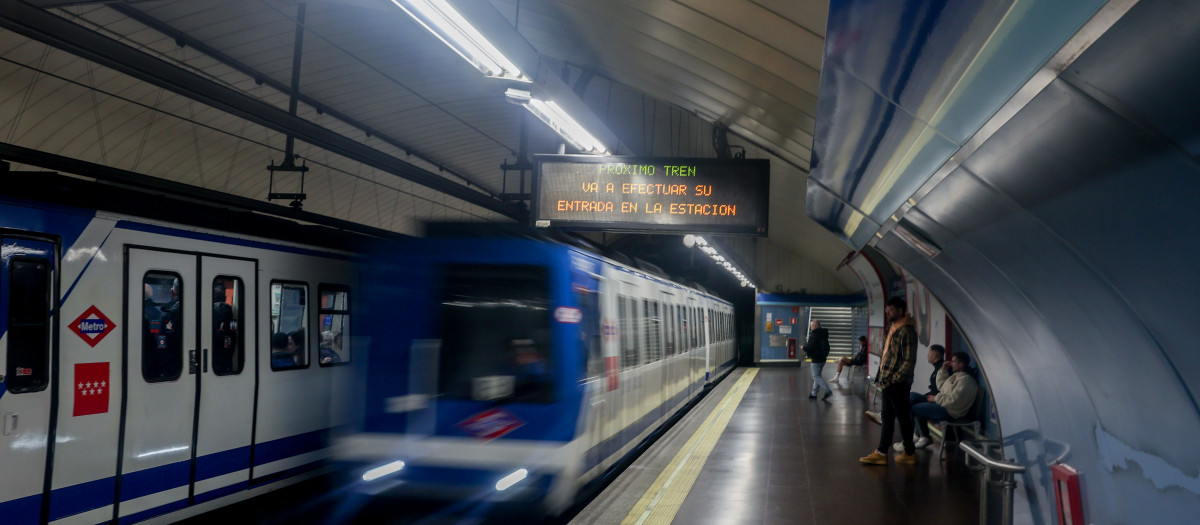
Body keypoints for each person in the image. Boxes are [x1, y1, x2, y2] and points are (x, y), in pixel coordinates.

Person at [860, 296, 919, 465]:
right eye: (887, 310)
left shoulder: (906, 330)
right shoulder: (893, 328)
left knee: (901, 417)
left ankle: (907, 452)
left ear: (900, 311)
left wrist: (893, 379)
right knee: (888, 416)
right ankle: (883, 452)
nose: (888, 313)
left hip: (897, 383)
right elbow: (887, 356)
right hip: (888, 381)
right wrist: (883, 379)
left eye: (891, 310)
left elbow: (908, 361)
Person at [907, 352, 979, 449]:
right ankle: (921, 435)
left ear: (961, 364)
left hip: (950, 411)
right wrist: (943, 370)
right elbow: (941, 386)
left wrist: (936, 399)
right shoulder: (957, 375)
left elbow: (955, 400)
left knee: (914, 408)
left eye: (953, 361)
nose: (951, 364)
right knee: (912, 396)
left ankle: (914, 437)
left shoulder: (966, 380)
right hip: (942, 403)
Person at [894, 344, 945, 451]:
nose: (927, 355)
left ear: (935, 354)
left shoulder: (942, 369)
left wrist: (934, 397)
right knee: (912, 398)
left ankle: (917, 436)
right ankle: (919, 434)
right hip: (933, 397)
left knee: (912, 400)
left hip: (939, 400)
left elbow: (943, 390)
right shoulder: (937, 368)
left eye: (929, 353)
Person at [212, 280, 238, 374]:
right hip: (226, 356)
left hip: (214, 356)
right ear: (225, 298)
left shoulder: (210, 312)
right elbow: (233, 332)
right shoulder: (230, 312)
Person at [803, 320, 832, 399]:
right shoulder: (823, 334)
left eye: (811, 326)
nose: (810, 327)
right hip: (823, 358)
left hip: (816, 358)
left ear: (815, 326)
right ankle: (814, 394)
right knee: (817, 376)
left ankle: (827, 390)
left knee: (815, 376)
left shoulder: (815, 335)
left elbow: (810, 346)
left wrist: (804, 347)